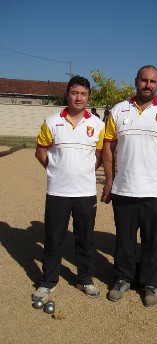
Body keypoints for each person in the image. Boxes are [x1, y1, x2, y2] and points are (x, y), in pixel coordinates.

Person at [101, 65, 157, 307]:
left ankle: (151, 282)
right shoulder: (119, 110)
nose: (148, 85)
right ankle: (123, 278)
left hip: (155, 192)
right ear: (136, 81)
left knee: (152, 241)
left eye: (153, 81)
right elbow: (108, 147)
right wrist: (109, 180)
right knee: (124, 240)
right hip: (124, 189)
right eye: (144, 80)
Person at [32, 76, 105, 301]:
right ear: (67, 94)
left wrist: (82, 172)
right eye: (75, 93)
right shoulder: (52, 121)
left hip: (85, 193)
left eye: (83, 94)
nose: (79, 97)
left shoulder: (97, 124)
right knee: (54, 239)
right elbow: (40, 152)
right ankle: (48, 281)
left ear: (88, 97)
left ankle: (85, 279)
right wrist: (55, 169)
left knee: (85, 239)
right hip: (58, 192)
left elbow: (100, 156)